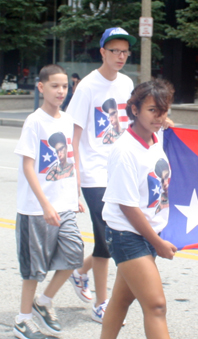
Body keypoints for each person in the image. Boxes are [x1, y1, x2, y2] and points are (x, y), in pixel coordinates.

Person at [92, 79, 198, 339]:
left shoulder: (156, 137)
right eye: (152, 111)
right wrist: (158, 243)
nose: (159, 117)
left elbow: (161, 139)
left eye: (163, 111)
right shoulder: (124, 150)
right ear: (133, 110)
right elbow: (126, 205)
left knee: (121, 300)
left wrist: (163, 124)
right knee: (156, 305)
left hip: (146, 234)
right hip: (127, 235)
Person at [66, 27, 137, 319]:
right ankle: (101, 304)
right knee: (108, 236)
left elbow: (134, 121)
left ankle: (80, 272)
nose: (120, 56)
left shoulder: (127, 83)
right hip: (94, 172)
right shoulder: (87, 87)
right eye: (114, 51)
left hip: (119, 169)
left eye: (124, 52)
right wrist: (75, 178)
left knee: (108, 235)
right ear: (102, 53)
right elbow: (74, 134)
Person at [13, 64, 84, 339]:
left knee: (74, 254)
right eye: (55, 86)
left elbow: (70, 160)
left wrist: (74, 196)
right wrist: (44, 204)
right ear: (41, 87)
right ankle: (22, 319)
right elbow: (29, 166)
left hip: (64, 204)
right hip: (36, 208)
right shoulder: (35, 121)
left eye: (65, 86)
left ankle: (44, 302)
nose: (61, 91)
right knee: (34, 268)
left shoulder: (66, 120)